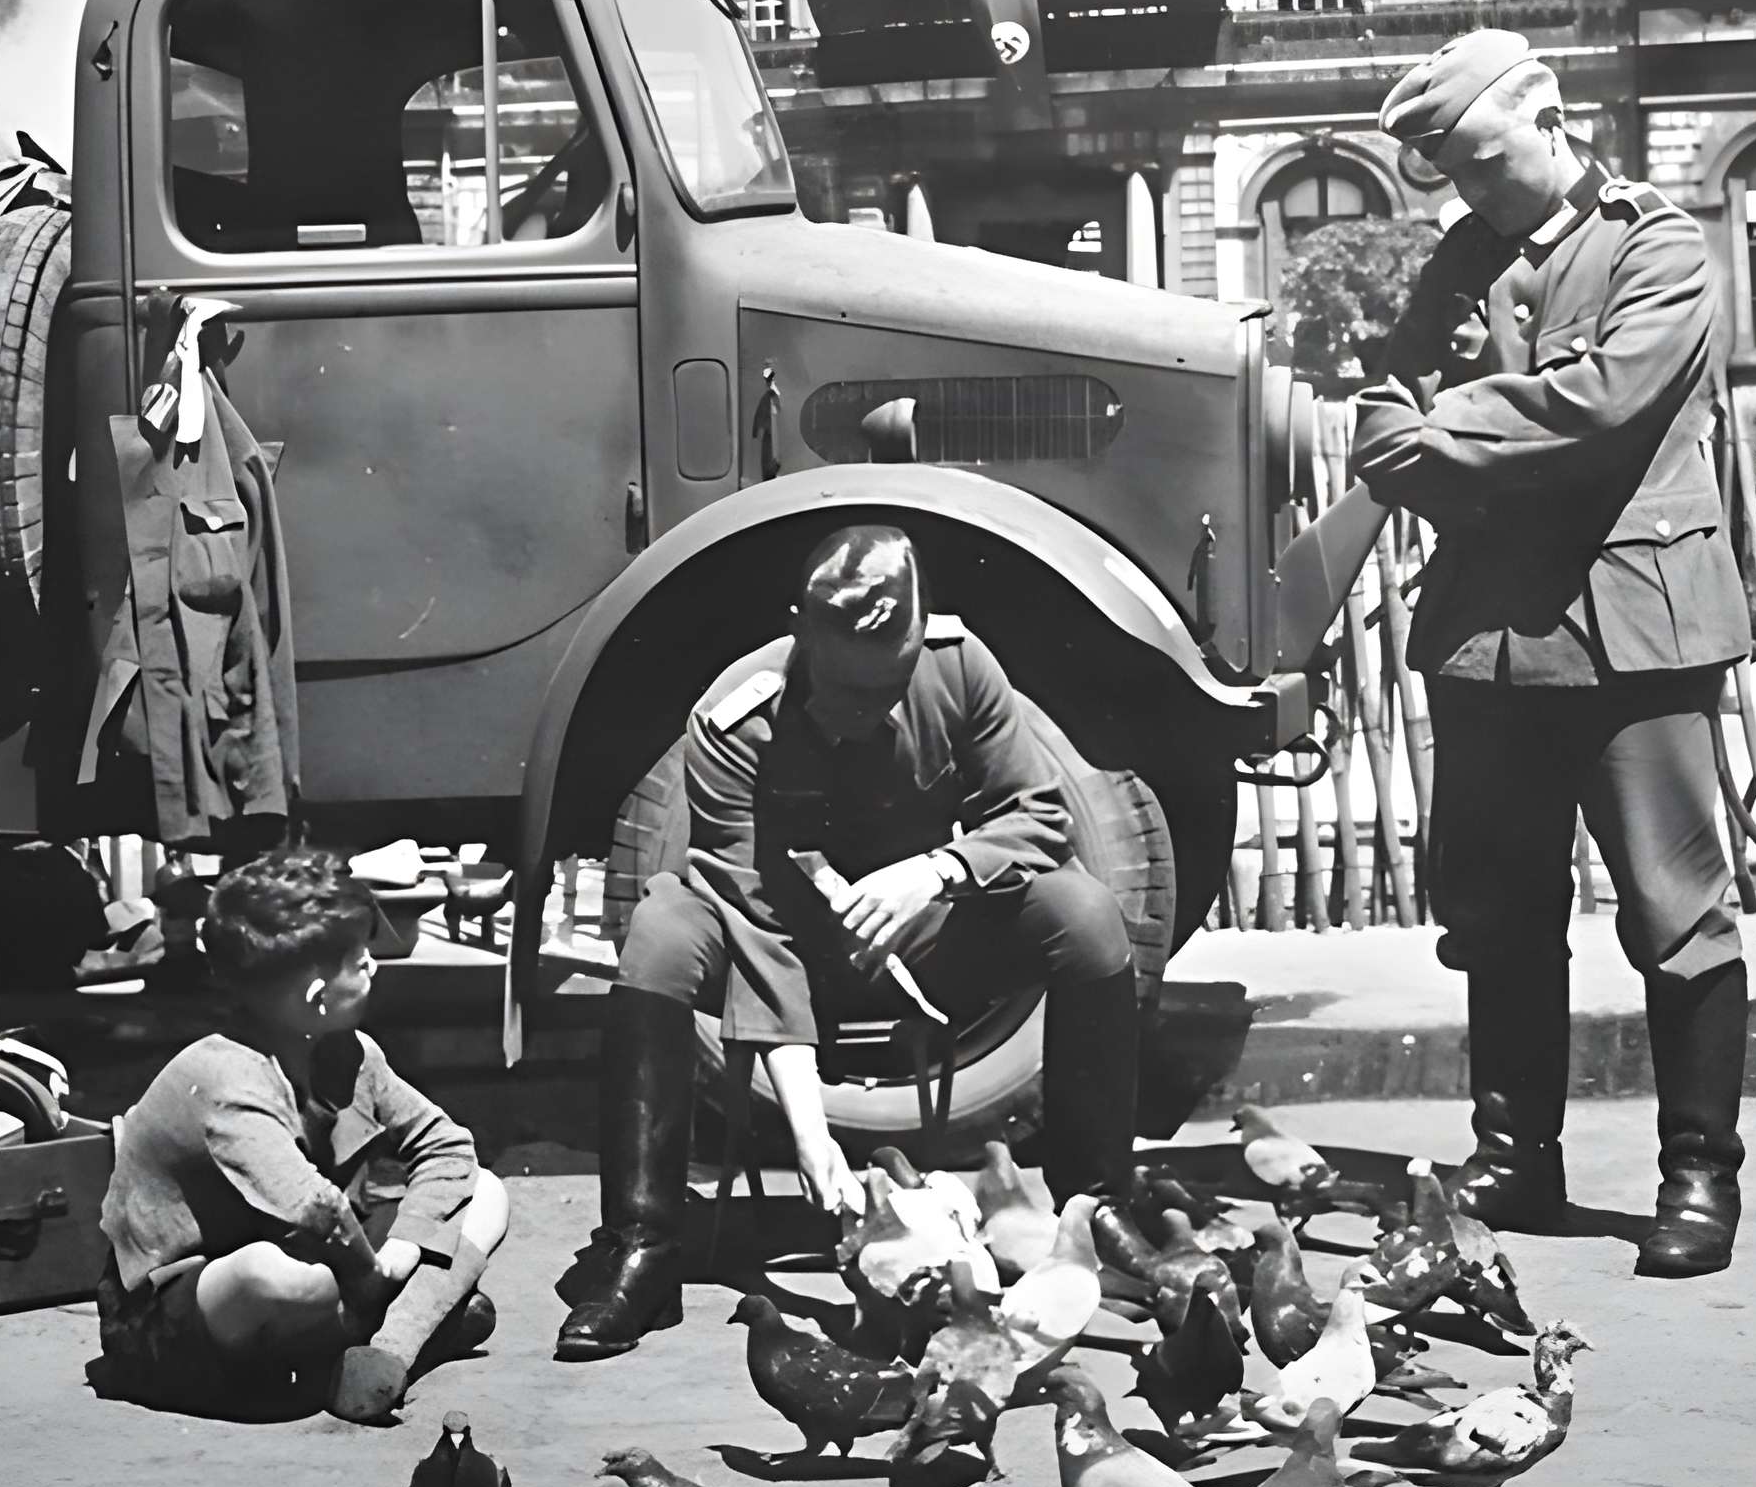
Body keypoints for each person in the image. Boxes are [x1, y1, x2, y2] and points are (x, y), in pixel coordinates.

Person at [1349, 29, 1754, 1278]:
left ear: (1548, 117)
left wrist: (1449, 434)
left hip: (1635, 633)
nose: (1470, 193)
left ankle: (1696, 1177)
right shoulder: (1460, 262)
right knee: (1499, 911)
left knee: (1675, 914)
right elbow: (1378, 422)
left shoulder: (1657, 244)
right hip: (1492, 647)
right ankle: (1517, 1158)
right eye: (1453, 175)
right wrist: (1442, 433)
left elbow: (1602, 407)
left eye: (1481, 163)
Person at [553, 522, 1139, 1359]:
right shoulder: (734, 717)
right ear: (800, 630)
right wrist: (809, 1131)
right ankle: (643, 1246)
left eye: (890, 690)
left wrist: (936, 872)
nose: (869, 715)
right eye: (847, 692)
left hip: (923, 937)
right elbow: (751, 916)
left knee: (1084, 914)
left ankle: (1096, 1213)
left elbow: (1038, 813)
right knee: (661, 931)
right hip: (783, 958)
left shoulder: (962, 665)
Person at [95, 848, 512, 1422]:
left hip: (335, 1260)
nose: (372, 964)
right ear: (316, 994)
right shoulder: (225, 1077)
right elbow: (314, 1209)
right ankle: (417, 1317)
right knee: (281, 1278)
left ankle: (391, 1347)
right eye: (358, 956)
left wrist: (405, 1249)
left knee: (486, 1190)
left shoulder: (352, 1052)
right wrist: (380, 1278)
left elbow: (447, 1146)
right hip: (182, 1311)